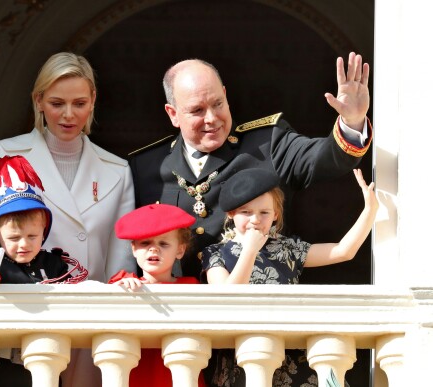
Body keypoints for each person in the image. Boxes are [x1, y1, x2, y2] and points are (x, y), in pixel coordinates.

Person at [0, 52, 135, 387]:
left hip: (89, 327)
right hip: (21, 321)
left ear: (93, 101)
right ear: (38, 101)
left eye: (79, 103)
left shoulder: (118, 170)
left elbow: (119, 264)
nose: (68, 115)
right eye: (56, 103)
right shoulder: (1, 156)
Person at [128, 52, 372, 279]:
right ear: (173, 114)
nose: (211, 118)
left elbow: (325, 159)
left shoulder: (268, 143)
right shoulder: (145, 165)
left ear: (226, 95)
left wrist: (352, 123)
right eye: (197, 110)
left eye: (218, 104)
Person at [201, 167, 378, 386]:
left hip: (291, 355)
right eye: (246, 212)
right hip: (244, 355)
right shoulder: (216, 252)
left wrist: (370, 210)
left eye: (264, 212)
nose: (255, 219)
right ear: (231, 214)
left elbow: (343, 251)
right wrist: (249, 251)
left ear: (275, 214)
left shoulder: (288, 248)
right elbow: (226, 298)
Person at [0, 155, 88, 386]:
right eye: (14, 237)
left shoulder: (54, 264)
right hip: (2, 364)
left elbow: (74, 295)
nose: (24, 244)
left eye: (32, 236)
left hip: (48, 356)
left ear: (44, 231)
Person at [108, 203, 206, 387]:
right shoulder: (124, 282)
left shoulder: (190, 286)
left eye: (163, 243)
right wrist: (121, 287)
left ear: (180, 250)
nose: (154, 249)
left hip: (180, 375)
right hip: (137, 375)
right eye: (145, 243)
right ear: (133, 248)